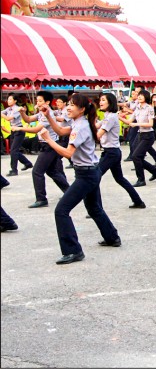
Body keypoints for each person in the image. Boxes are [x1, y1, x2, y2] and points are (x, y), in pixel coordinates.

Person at [37, 93, 121, 265]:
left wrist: (48, 140)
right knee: (94, 208)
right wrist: (49, 115)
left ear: (82, 109)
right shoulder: (79, 123)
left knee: (61, 210)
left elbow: (68, 152)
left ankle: (73, 251)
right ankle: (112, 237)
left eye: (72, 105)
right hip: (89, 171)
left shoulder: (83, 125)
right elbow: (60, 131)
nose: (68, 107)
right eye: (68, 104)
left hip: (87, 173)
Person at [13, 91, 70, 208]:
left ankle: (41, 198)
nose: (37, 103)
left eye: (40, 101)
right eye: (37, 101)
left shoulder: (47, 114)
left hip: (49, 145)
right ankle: (70, 192)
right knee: (52, 171)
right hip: (47, 145)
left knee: (37, 171)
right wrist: (23, 113)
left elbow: (36, 129)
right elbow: (28, 119)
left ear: (47, 102)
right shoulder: (41, 113)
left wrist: (19, 129)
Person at [97, 93, 146, 208]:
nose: (100, 102)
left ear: (110, 102)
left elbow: (98, 134)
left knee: (94, 177)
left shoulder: (110, 117)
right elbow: (95, 126)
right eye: (100, 100)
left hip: (111, 153)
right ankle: (138, 202)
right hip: (112, 152)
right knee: (119, 178)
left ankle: (96, 208)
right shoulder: (107, 116)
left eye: (103, 100)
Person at [119, 90, 156, 187]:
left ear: (146, 97)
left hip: (148, 135)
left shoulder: (149, 108)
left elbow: (150, 124)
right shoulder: (137, 109)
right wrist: (119, 117)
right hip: (140, 134)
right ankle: (155, 171)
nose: (139, 97)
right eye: (138, 95)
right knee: (136, 157)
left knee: (136, 156)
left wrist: (136, 124)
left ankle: (141, 180)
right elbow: (129, 121)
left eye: (141, 96)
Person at [1, 92, 33, 176]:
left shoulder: (17, 109)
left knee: (14, 150)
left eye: (10, 99)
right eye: (8, 99)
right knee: (14, 150)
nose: (8, 101)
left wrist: (1, 114)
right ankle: (28, 163)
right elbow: (3, 113)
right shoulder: (8, 109)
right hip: (13, 131)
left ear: (15, 101)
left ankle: (14, 170)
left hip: (19, 130)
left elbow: (8, 118)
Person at [53, 94, 75, 169]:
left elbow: (61, 119)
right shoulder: (59, 111)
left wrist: (50, 117)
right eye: (57, 101)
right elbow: (52, 112)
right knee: (65, 150)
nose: (57, 103)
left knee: (58, 153)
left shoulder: (67, 111)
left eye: (60, 102)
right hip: (62, 134)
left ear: (65, 103)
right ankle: (73, 163)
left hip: (67, 134)